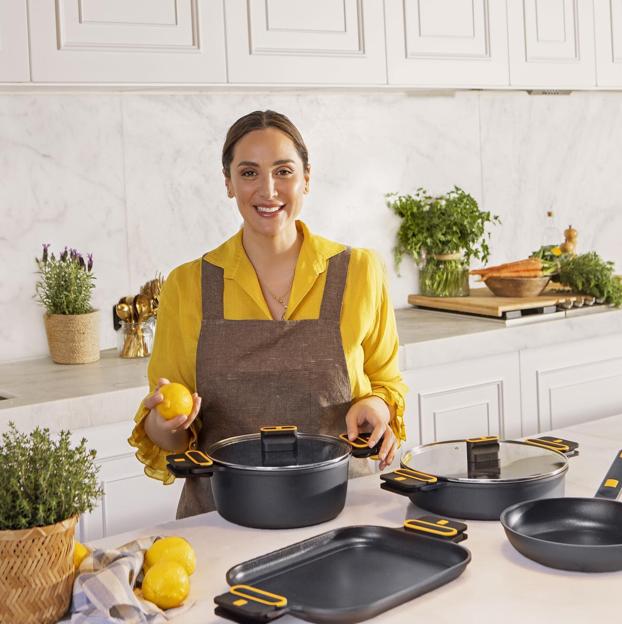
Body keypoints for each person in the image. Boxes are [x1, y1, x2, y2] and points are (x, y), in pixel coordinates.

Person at [129, 110, 408, 519]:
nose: (268, 190)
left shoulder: (360, 272)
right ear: (228, 183)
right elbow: (172, 436)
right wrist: (163, 423)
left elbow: (386, 381)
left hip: (342, 507)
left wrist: (377, 409)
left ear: (306, 178)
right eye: (248, 173)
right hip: (224, 514)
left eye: (283, 171)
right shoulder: (188, 285)